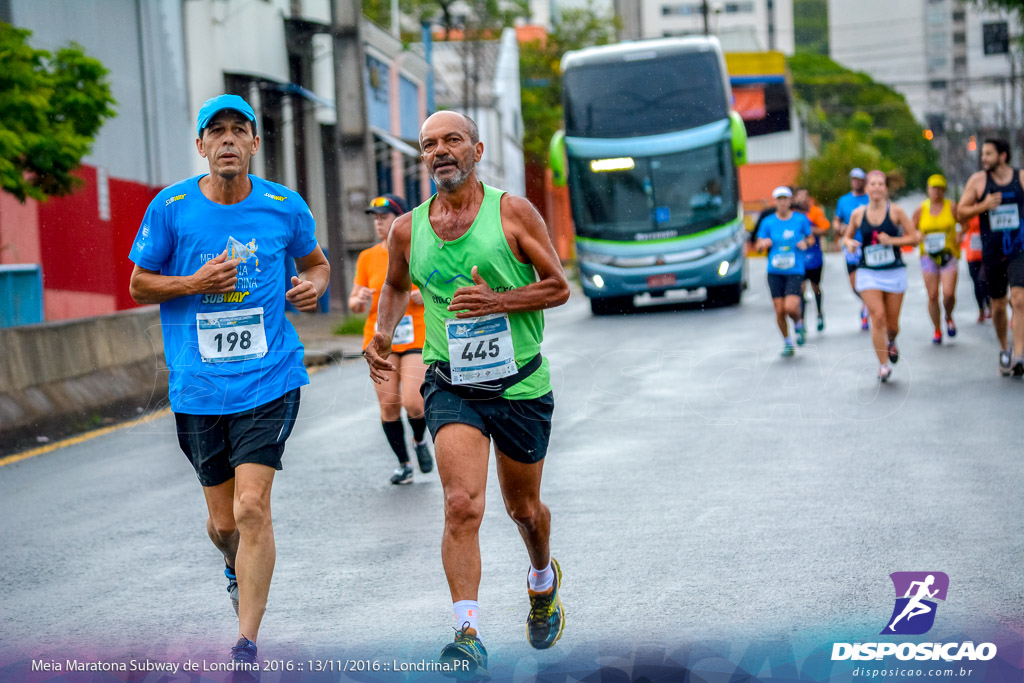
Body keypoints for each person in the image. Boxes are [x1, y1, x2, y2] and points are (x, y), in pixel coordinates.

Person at [363, 111, 571, 678]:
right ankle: (467, 631)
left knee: (523, 509)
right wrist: (382, 334)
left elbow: (559, 286)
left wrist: (498, 302)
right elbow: (396, 285)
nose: (440, 151)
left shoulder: (512, 212)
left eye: (452, 140)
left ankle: (542, 581)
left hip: (520, 382)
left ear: (476, 149)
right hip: (451, 382)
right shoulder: (408, 229)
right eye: (429, 144)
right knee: (461, 505)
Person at [127, 94, 330, 666]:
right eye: (215, 132)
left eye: (239, 131)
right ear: (200, 146)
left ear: (254, 143)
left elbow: (315, 262)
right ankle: (232, 563)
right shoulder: (170, 208)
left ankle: (246, 643)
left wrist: (314, 285)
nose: (228, 141)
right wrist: (194, 283)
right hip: (197, 385)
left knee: (250, 507)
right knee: (222, 525)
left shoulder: (283, 206)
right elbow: (140, 285)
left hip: (269, 378)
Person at [350, 193, 433, 485]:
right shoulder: (367, 257)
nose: (379, 223)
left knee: (413, 402)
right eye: (374, 218)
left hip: (416, 334)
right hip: (379, 338)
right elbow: (355, 301)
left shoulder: (418, 249)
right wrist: (358, 301)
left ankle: (420, 440)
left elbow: (438, 286)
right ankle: (404, 462)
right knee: (388, 406)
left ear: (400, 219)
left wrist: (425, 294)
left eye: (384, 217)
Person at [957, 138, 1024, 376]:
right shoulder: (978, 181)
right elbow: (960, 212)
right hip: (992, 250)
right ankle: (1004, 348)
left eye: (988, 154)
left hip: (1019, 248)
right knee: (997, 306)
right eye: (982, 154)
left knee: (1018, 299)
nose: (983, 158)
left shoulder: (1021, 178)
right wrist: (982, 205)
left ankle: (1019, 355)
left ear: (1003, 155)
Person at [844, 170, 919, 381]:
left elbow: (914, 238)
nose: (876, 187)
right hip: (868, 272)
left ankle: (892, 341)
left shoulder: (896, 212)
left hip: (894, 271)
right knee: (877, 316)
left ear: (885, 188)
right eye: (872, 184)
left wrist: (892, 241)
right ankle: (883, 365)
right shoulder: (858, 214)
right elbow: (846, 237)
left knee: (892, 325)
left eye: (880, 184)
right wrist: (849, 243)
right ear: (866, 188)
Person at [756, 186, 814, 356]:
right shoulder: (768, 222)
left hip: (795, 269)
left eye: (785, 199)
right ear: (775, 202)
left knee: (790, 307)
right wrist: (763, 244)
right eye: (779, 199)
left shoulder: (800, 220)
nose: (782, 202)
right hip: (774, 271)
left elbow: (810, 238)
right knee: (779, 309)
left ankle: (798, 324)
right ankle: (788, 342)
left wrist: (806, 243)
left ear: (790, 201)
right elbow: (758, 244)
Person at [913, 174, 962, 344]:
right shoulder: (921, 209)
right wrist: (918, 234)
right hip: (928, 256)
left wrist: (960, 234)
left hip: (948, 254)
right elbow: (911, 229)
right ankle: (937, 329)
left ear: (944, 190)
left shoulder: (951, 206)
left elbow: (965, 223)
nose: (937, 192)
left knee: (948, 294)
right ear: (928, 189)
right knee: (933, 295)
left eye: (940, 188)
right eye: (934, 188)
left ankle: (948, 315)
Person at [834, 168, 871, 330]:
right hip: (851, 247)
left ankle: (868, 308)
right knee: (855, 285)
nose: (856, 181)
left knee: (870, 280)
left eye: (859, 179)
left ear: (864, 181)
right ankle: (866, 302)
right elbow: (836, 221)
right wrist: (840, 228)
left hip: (870, 246)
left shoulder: (870, 198)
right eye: (853, 179)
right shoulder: (843, 201)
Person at [792, 187, 830, 331]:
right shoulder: (793, 214)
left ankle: (819, 313)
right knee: (801, 289)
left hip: (814, 256)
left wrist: (810, 230)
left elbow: (825, 229)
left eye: (805, 195)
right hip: (799, 258)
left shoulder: (815, 212)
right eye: (799, 196)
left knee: (815, 287)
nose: (802, 199)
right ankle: (801, 321)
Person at [961, 216, 991, 323]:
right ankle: (981, 310)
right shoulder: (968, 210)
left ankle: (989, 304)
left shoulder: (987, 209)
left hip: (987, 251)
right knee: (976, 283)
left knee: (983, 280)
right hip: (972, 253)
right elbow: (960, 220)